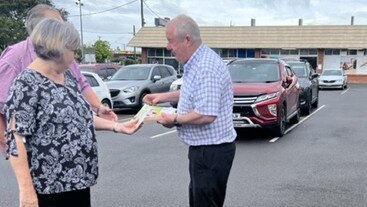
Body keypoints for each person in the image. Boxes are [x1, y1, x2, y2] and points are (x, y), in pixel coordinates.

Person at [3, 18, 141, 207]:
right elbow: (16, 139)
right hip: (50, 189)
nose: (74, 58)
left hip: (78, 181)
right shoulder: (26, 84)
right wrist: (26, 191)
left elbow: (80, 117)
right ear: (58, 48)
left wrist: (117, 126)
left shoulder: (66, 77)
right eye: (73, 51)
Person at [143, 14, 236, 207]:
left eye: (170, 41)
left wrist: (174, 119)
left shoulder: (205, 67)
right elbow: (192, 93)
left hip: (210, 153)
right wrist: (162, 97)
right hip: (205, 152)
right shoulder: (196, 62)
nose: (168, 47)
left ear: (187, 40)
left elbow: (206, 114)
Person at [0, 4, 118, 155]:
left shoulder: (65, 63)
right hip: (41, 159)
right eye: (57, 26)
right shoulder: (17, 64)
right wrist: (8, 148)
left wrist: (100, 109)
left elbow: (82, 86)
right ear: (42, 31)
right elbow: (15, 134)